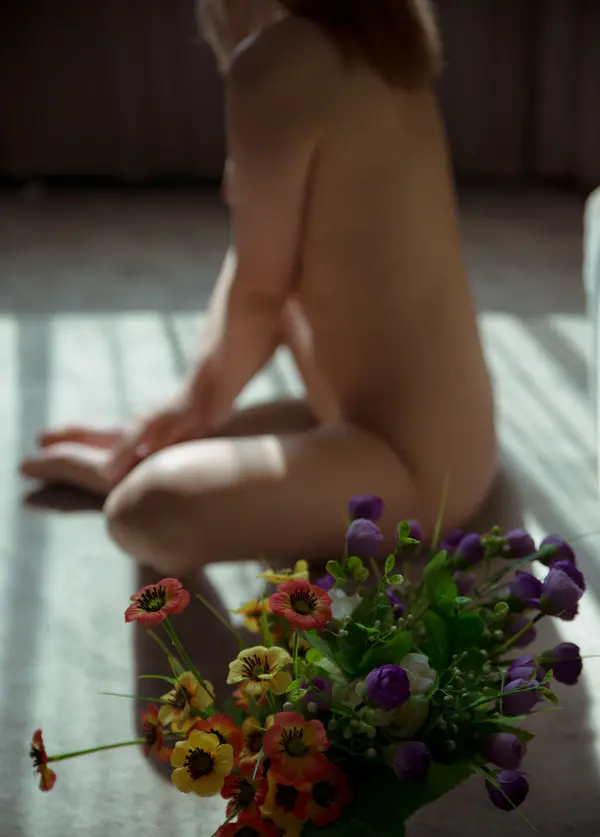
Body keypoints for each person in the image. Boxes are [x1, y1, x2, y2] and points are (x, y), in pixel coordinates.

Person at [20, 0, 497, 572]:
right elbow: (259, 269)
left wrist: (193, 408)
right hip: (442, 442)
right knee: (170, 461)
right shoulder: (380, 40)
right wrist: (184, 413)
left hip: (404, 469)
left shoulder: (279, 60)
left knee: (143, 510)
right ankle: (150, 458)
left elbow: (261, 295)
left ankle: (140, 471)